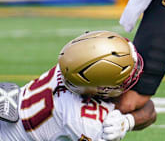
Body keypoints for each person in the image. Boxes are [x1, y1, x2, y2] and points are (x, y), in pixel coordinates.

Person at [0, 30, 156, 140]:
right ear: (102, 87)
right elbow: (149, 112)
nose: (132, 75)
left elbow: (147, 108)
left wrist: (128, 122)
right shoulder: (86, 123)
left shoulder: (73, 66)